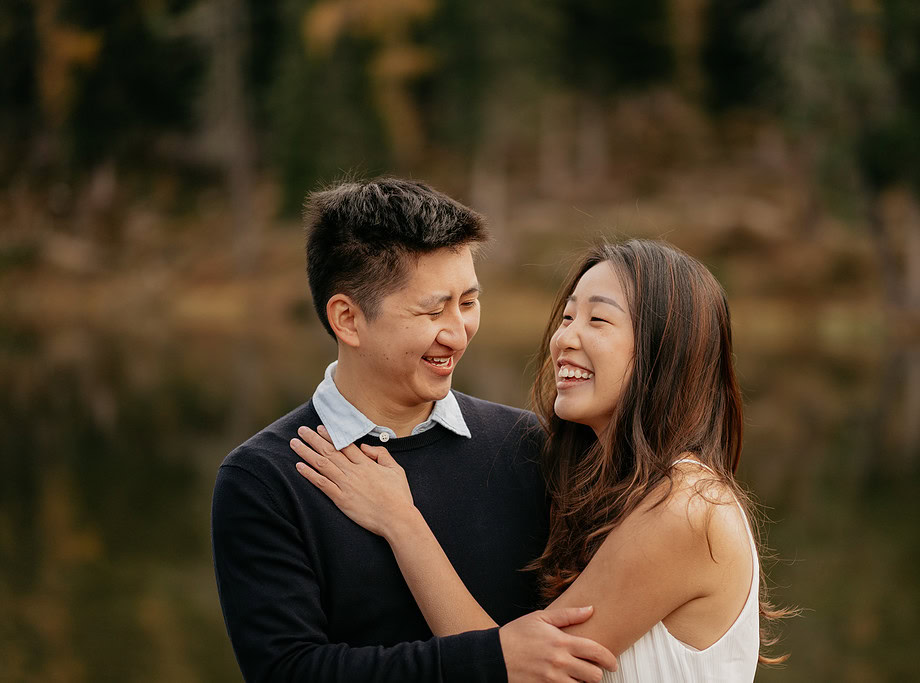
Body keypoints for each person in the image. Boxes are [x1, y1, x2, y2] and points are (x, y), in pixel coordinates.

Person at [291, 239, 791, 681]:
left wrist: (401, 523)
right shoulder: (612, 492)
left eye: (598, 319)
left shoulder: (683, 512)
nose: (564, 338)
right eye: (568, 315)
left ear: (666, 351)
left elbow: (519, 673)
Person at [211, 177, 618, 683]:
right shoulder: (265, 479)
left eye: (468, 303)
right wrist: (492, 659)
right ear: (348, 320)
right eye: (432, 309)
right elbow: (289, 671)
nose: (458, 331)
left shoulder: (529, 445)